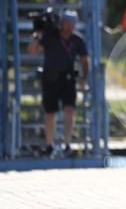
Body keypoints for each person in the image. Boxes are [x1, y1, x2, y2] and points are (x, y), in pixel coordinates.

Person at [28, 10, 89, 158]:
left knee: (69, 110)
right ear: (61, 23)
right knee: (50, 113)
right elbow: (32, 52)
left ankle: (67, 144)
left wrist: (84, 77)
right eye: (67, 22)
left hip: (68, 79)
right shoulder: (50, 37)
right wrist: (36, 36)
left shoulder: (77, 40)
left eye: (72, 23)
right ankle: (50, 145)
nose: (69, 26)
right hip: (50, 79)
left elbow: (84, 60)